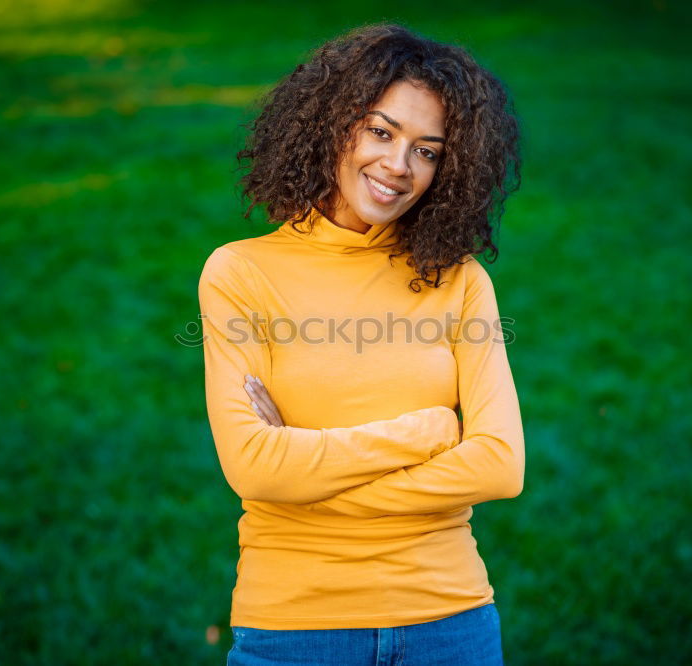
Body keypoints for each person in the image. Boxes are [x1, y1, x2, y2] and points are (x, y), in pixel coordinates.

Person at [197, 22, 525, 666]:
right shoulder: (240, 274)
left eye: (428, 151)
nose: (398, 167)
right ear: (331, 125)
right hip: (293, 630)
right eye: (381, 132)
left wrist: (308, 477)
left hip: (449, 624)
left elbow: (499, 466)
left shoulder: (460, 281)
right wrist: (428, 432)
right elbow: (255, 468)